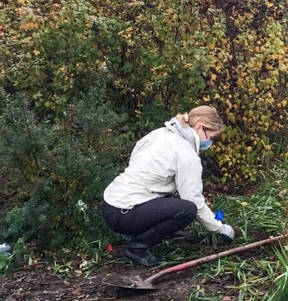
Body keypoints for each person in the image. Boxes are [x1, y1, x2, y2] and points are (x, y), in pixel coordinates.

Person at [101, 106, 235, 266]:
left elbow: (136, 157)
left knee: (170, 197)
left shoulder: (160, 133)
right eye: (211, 137)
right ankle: (136, 248)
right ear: (199, 127)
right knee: (187, 210)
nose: (210, 142)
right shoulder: (187, 155)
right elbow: (194, 201)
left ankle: (159, 230)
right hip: (124, 213)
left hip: (111, 204)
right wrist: (219, 228)